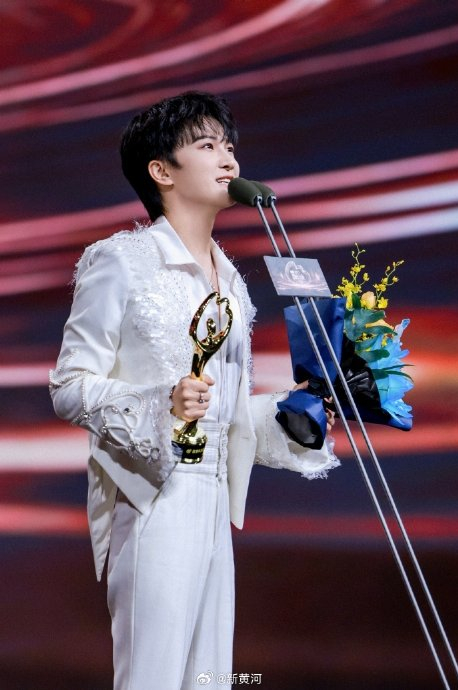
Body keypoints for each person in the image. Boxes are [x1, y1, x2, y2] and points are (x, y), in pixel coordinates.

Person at [49, 91, 338, 690]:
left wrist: (296, 410)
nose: (228, 158)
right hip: (154, 493)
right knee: (152, 676)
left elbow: (225, 413)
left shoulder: (232, 281)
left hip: (213, 497)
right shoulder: (121, 260)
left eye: (229, 145)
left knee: (209, 678)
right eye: (207, 146)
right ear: (161, 171)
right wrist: (163, 403)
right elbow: (68, 385)